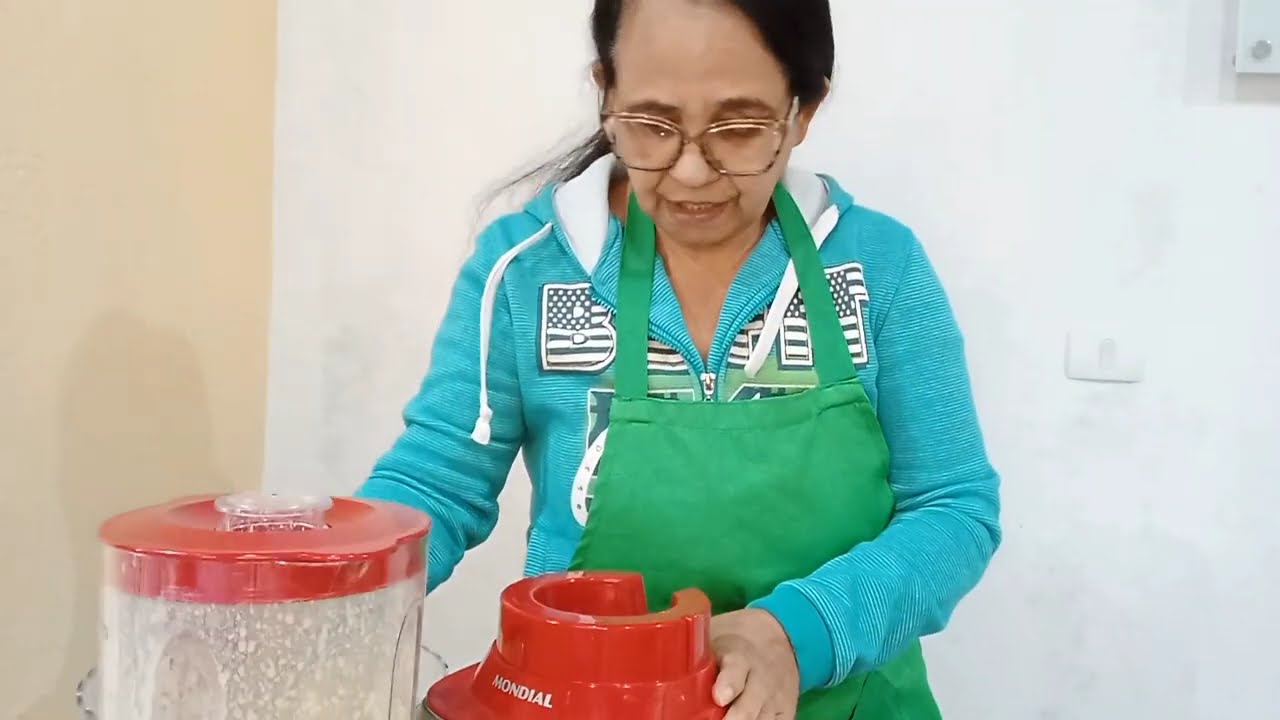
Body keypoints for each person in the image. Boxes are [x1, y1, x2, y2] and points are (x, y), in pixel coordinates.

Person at [356, 0, 1001, 717]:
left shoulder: (876, 268)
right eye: (653, 125)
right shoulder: (529, 271)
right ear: (607, 92)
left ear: (804, 109)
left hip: (849, 702)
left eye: (740, 128)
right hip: (591, 701)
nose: (692, 172)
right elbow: (439, 484)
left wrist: (794, 638)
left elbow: (954, 508)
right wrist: (329, 601)